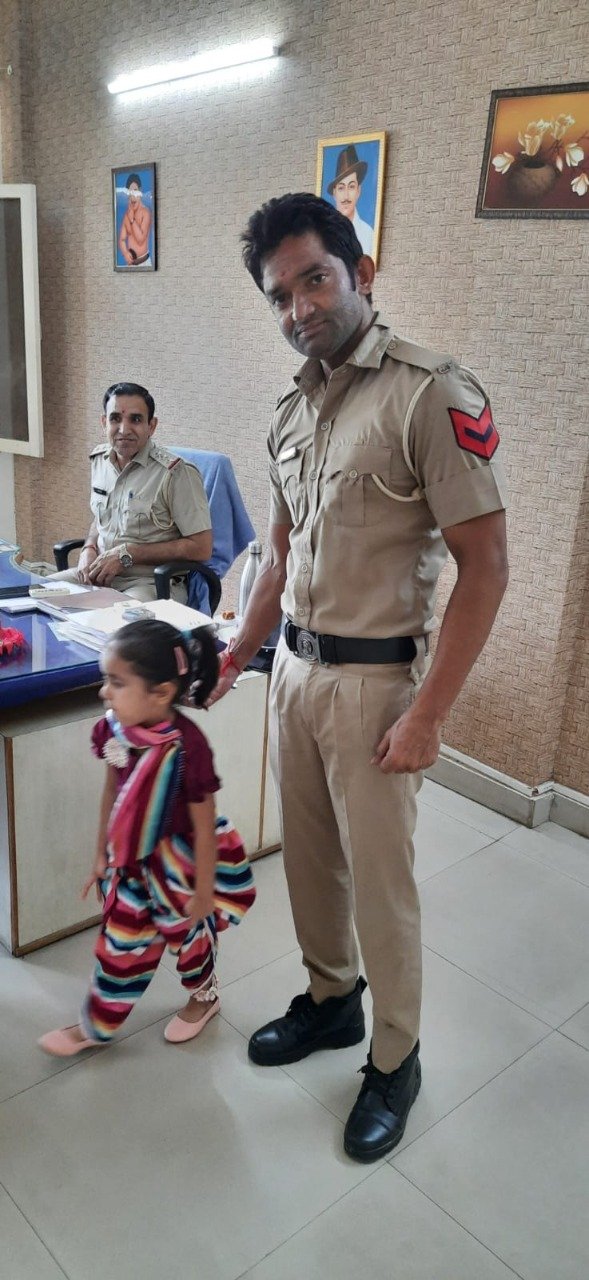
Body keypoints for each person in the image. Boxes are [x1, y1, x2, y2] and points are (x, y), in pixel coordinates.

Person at [211, 192, 508, 1162]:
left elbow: (485, 565)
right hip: (294, 672)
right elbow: (277, 552)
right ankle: (332, 998)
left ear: (360, 273)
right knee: (308, 860)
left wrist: (429, 715)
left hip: (379, 687)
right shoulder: (291, 411)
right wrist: (240, 650)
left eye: (315, 280)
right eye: (279, 294)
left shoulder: (430, 394)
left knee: (381, 885)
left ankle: (395, 1055)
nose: (299, 307)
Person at [39, 619, 255, 1057]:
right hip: (132, 861)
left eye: (117, 683)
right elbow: (112, 792)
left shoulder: (189, 747)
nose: (104, 692)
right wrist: (101, 853)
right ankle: (96, 1024)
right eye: (106, 680)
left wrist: (203, 890)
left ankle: (204, 996)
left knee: (188, 940)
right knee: (120, 943)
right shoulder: (114, 731)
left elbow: (205, 823)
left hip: (181, 863)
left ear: (161, 693)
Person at [51, 382, 213, 601]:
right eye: (115, 418)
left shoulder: (176, 473)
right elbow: (102, 517)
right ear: (104, 422)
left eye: (135, 419)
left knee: (120, 620)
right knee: (32, 597)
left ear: (151, 426)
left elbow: (201, 548)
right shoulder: (100, 461)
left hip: (150, 583)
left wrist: (129, 554)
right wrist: (89, 547)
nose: (124, 429)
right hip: (96, 575)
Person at [328, 144, 373, 256]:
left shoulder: (369, 234)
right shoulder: (322, 233)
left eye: (351, 187)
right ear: (334, 193)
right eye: (341, 188)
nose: (346, 196)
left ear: (358, 190)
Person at [118, 172, 152, 267]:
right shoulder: (127, 215)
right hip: (131, 265)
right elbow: (122, 239)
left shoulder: (146, 213)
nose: (133, 195)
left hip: (145, 263)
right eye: (130, 192)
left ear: (140, 191)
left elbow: (140, 239)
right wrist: (125, 253)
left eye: (135, 191)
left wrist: (132, 220)